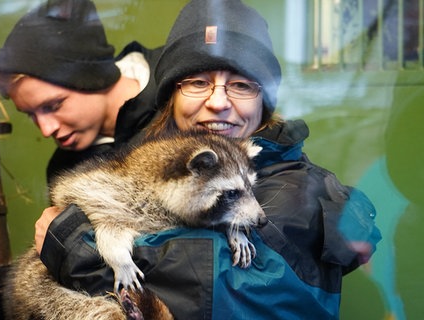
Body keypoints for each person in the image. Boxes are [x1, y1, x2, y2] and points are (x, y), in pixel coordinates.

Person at [34, 0, 382, 319]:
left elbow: (225, 293)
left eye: (242, 85)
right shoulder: (151, 164)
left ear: (263, 103)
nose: (218, 102)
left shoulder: (295, 189)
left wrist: (73, 245)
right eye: (198, 82)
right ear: (172, 98)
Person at [0, 0, 162, 186]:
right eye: (30, 114)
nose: (46, 129)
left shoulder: (184, 93)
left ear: (91, 77)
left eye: (53, 106)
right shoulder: (65, 171)